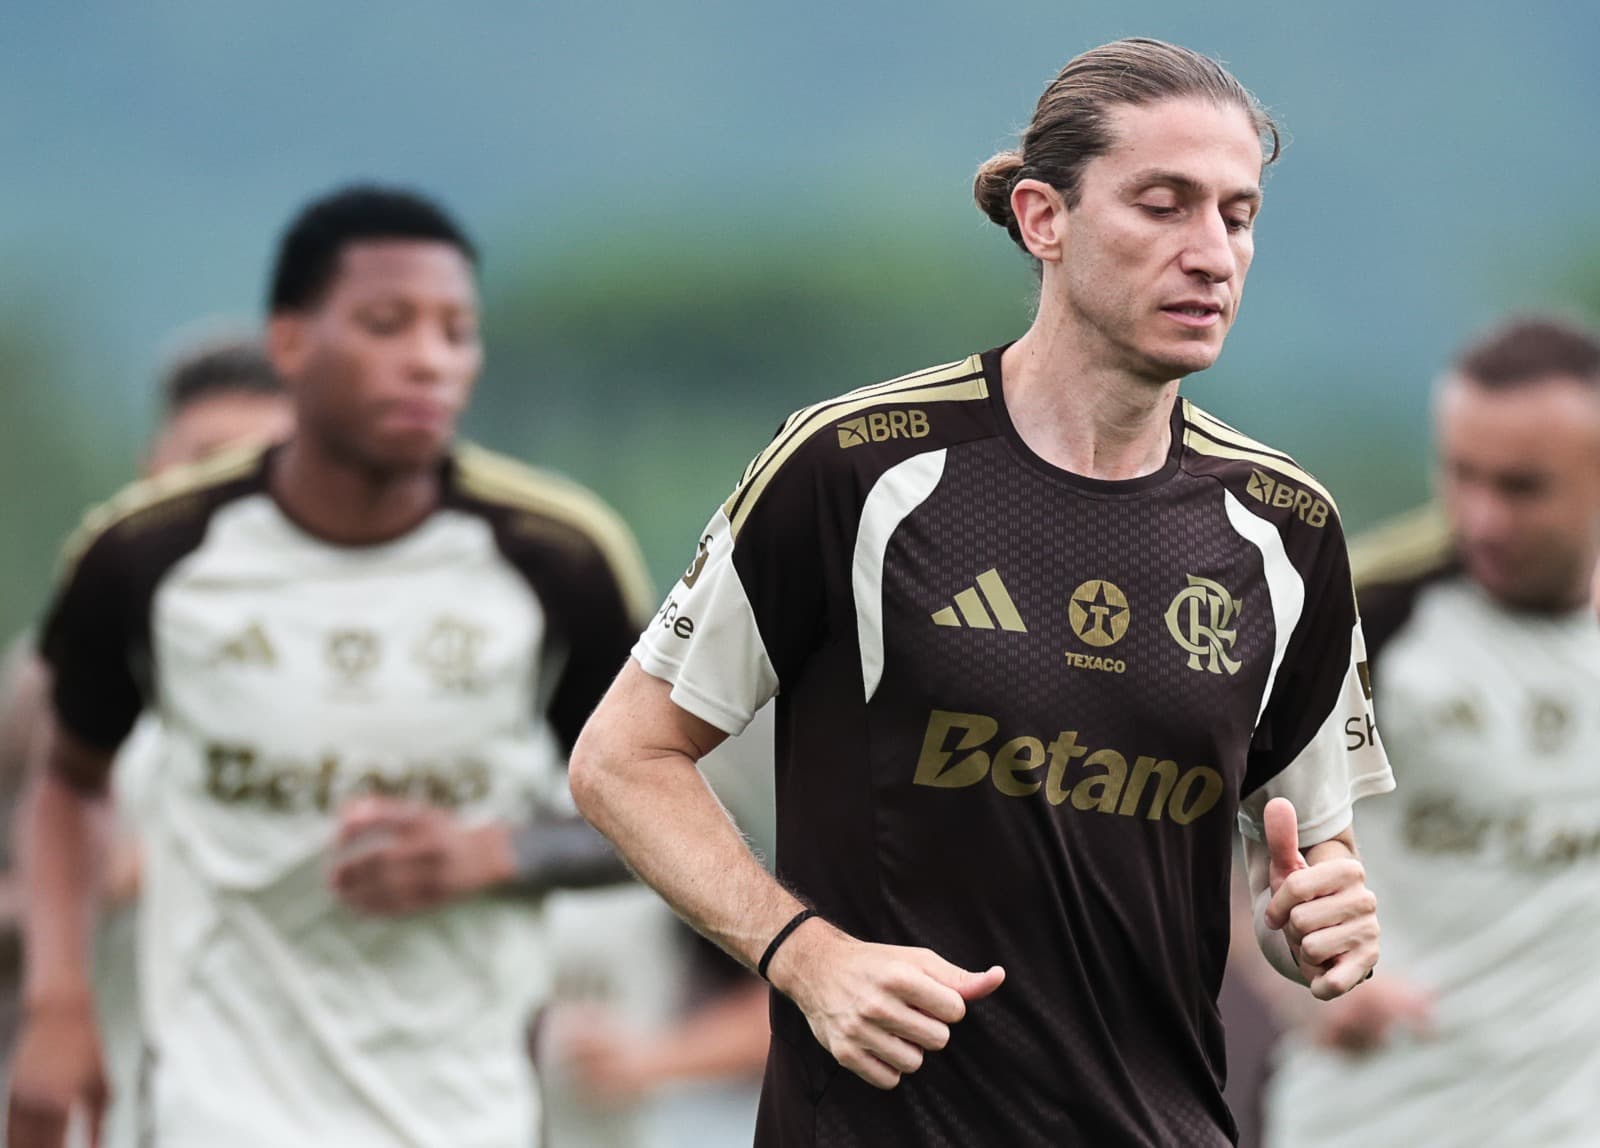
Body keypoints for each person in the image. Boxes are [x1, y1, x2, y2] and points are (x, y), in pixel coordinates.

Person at [570, 37, 1392, 1146]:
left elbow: (1312, 857)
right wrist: (805, 954)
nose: (1211, 253)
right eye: (1163, 205)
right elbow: (623, 758)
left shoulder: (1287, 529)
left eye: (1236, 216)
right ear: (1042, 218)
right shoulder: (855, 467)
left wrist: (1323, 917)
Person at [7, 185, 651, 1148]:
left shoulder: (557, 557)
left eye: (456, 330)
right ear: (292, 343)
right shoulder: (146, 556)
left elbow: (654, 811)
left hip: (466, 1107)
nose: (429, 358)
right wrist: (59, 1003)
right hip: (214, 1102)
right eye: (388, 324)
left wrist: (493, 854)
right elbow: (68, 780)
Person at [1264, 316, 1600, 1147]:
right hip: (1380, 1118)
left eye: (1522, 487)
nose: (1481, 517)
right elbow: (1211, 846)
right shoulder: (1362, 622)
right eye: (1460, 475)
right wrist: (1304, 993)